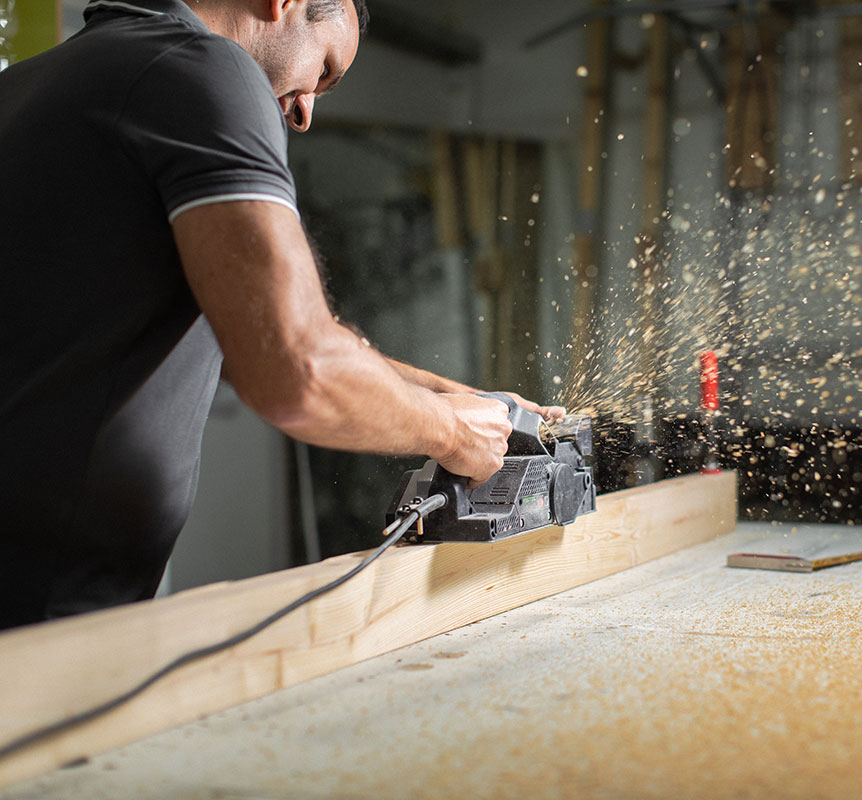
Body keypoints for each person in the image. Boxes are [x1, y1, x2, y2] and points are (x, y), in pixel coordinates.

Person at [0, 0, 563, 630]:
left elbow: (251, 336)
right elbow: (298, 369)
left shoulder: (36, 81)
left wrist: (464, 398)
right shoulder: (206, 67)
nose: (303, 113)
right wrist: (456, 436)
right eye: (323, 70)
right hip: (41, 614)